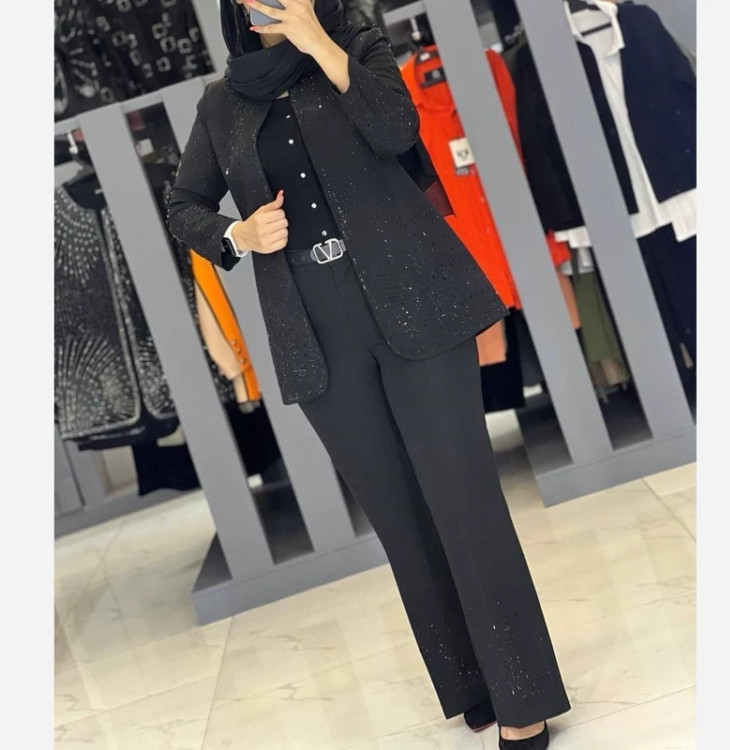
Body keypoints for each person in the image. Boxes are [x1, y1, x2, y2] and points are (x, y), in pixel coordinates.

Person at [167, 1, 570, 746]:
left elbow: (398, 130)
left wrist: (319, 43)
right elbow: (183, 203)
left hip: (417, 299)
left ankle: (523, 696)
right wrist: (238, 233)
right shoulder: (222, 104)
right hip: (316, 331)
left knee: (465, 500)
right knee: (400, 516)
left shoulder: (357, 48)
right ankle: (472, 682)